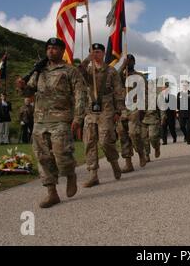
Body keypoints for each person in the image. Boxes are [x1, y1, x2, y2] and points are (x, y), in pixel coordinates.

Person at [16, 37, 86, 208]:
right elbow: (27, 92)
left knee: (62, 154)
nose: (50, 51)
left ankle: (70, 174)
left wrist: (78, 117)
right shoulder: (39, 71)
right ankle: (52, 193)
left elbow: (80, 95)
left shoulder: (70, 71)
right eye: (48, 48)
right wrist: (21, 86)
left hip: (61, 119)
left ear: (62, 51)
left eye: (54, 48)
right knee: (42, 157)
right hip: (40, 120)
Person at [78, 43, 125, 187]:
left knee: (105, 140)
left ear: (104, 54)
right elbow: (77, 72)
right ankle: (93, 174)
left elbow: (118, 91)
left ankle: (114, 162)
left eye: (98, 52)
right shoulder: (87, 70)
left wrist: (119, 111)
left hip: (106, 108)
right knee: (89, 142)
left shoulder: (111, 71)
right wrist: (87, 59)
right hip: (90, 109)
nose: (95, 54)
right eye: (93, 52)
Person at [117, 54, 148, 173]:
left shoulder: (139, 76)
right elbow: (114, 77)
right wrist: (122, 65)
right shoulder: (120, 76)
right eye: (126, 60)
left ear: (134, 62)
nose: (128, 62)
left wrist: (143, 109)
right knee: (123, 136)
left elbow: (145, 93)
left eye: (130, 61)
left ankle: (141, 153)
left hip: (135, 107)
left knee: (134, 133)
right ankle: (128, 163)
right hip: (122, 109)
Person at [177, 80, 190, 145]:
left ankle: (188, 140)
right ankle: (186, 135)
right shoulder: (179, 94)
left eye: (186, 85)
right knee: (182, 126)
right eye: (183, 85)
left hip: (189, 113)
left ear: (188, 86)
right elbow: (177, 103)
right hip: (181, 113)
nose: (185, 87)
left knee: (189, 127)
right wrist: (177, 112)